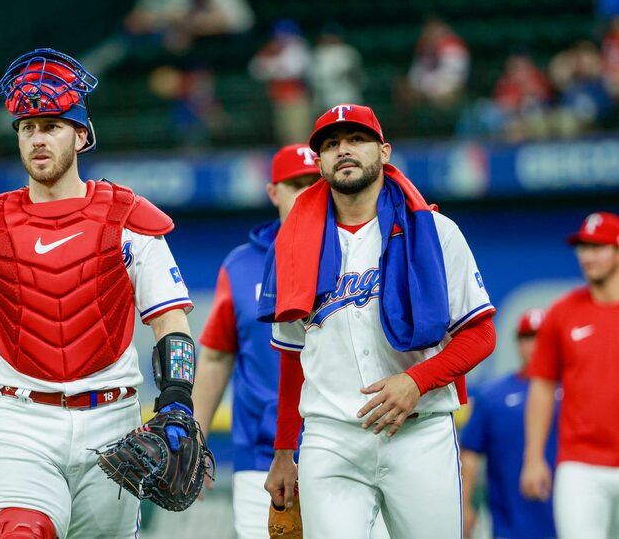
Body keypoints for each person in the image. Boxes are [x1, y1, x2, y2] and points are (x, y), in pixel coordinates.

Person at [0, 48, 197, 539]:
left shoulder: (128, 220)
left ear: (81, 134)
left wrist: (177, 398)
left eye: (51, 125)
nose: (37, 138)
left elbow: (170, 320)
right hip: (22, 422)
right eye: (27, 127)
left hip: (113, 423)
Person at [260, 103, 497, 538]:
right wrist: (282, 451)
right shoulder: (291, 244)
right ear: (320, 162)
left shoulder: (436, 231)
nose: (343, 150)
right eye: (331, 144)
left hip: (419, 432)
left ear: (384, 152)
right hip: (331, 439)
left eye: (356, 140)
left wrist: (418, 379)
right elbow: (292, 357)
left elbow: (481, 334)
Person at [191, 144, 320, 539]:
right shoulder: (242, 264)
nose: (305, 192)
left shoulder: (354, 252)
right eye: (295, 184)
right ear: (272, 192)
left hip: (341, 449)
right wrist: (195, 441)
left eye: (314, 182)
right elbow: (215, 359)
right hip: (260, 460)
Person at [521, 212, 619, 539]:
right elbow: (542, 387)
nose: (587, 256)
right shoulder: (563, 313)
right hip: (581, 464)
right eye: (583, 248)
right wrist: (533, 458)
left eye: (598, 247)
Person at [460, 308, 558, 539]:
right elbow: (470, 456)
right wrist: (464, 505)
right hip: (510, 524)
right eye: (528, 337)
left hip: (569, 518)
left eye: (542, 337)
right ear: (517, 343)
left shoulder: (574, 391)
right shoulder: (492, 396)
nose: (535, 345)